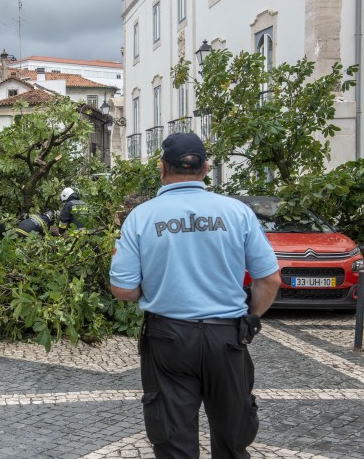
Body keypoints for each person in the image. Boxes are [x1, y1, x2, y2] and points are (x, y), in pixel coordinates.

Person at [109, 133, 281, 459]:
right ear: (205, 169)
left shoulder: (141, 218)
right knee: (233, 439)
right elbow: (269, 279)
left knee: (173, 443)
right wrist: (252, 317)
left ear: (162, 168)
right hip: (227, 337)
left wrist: (162, 286)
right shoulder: (238, 212)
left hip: (168, 340)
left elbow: (123, 288)